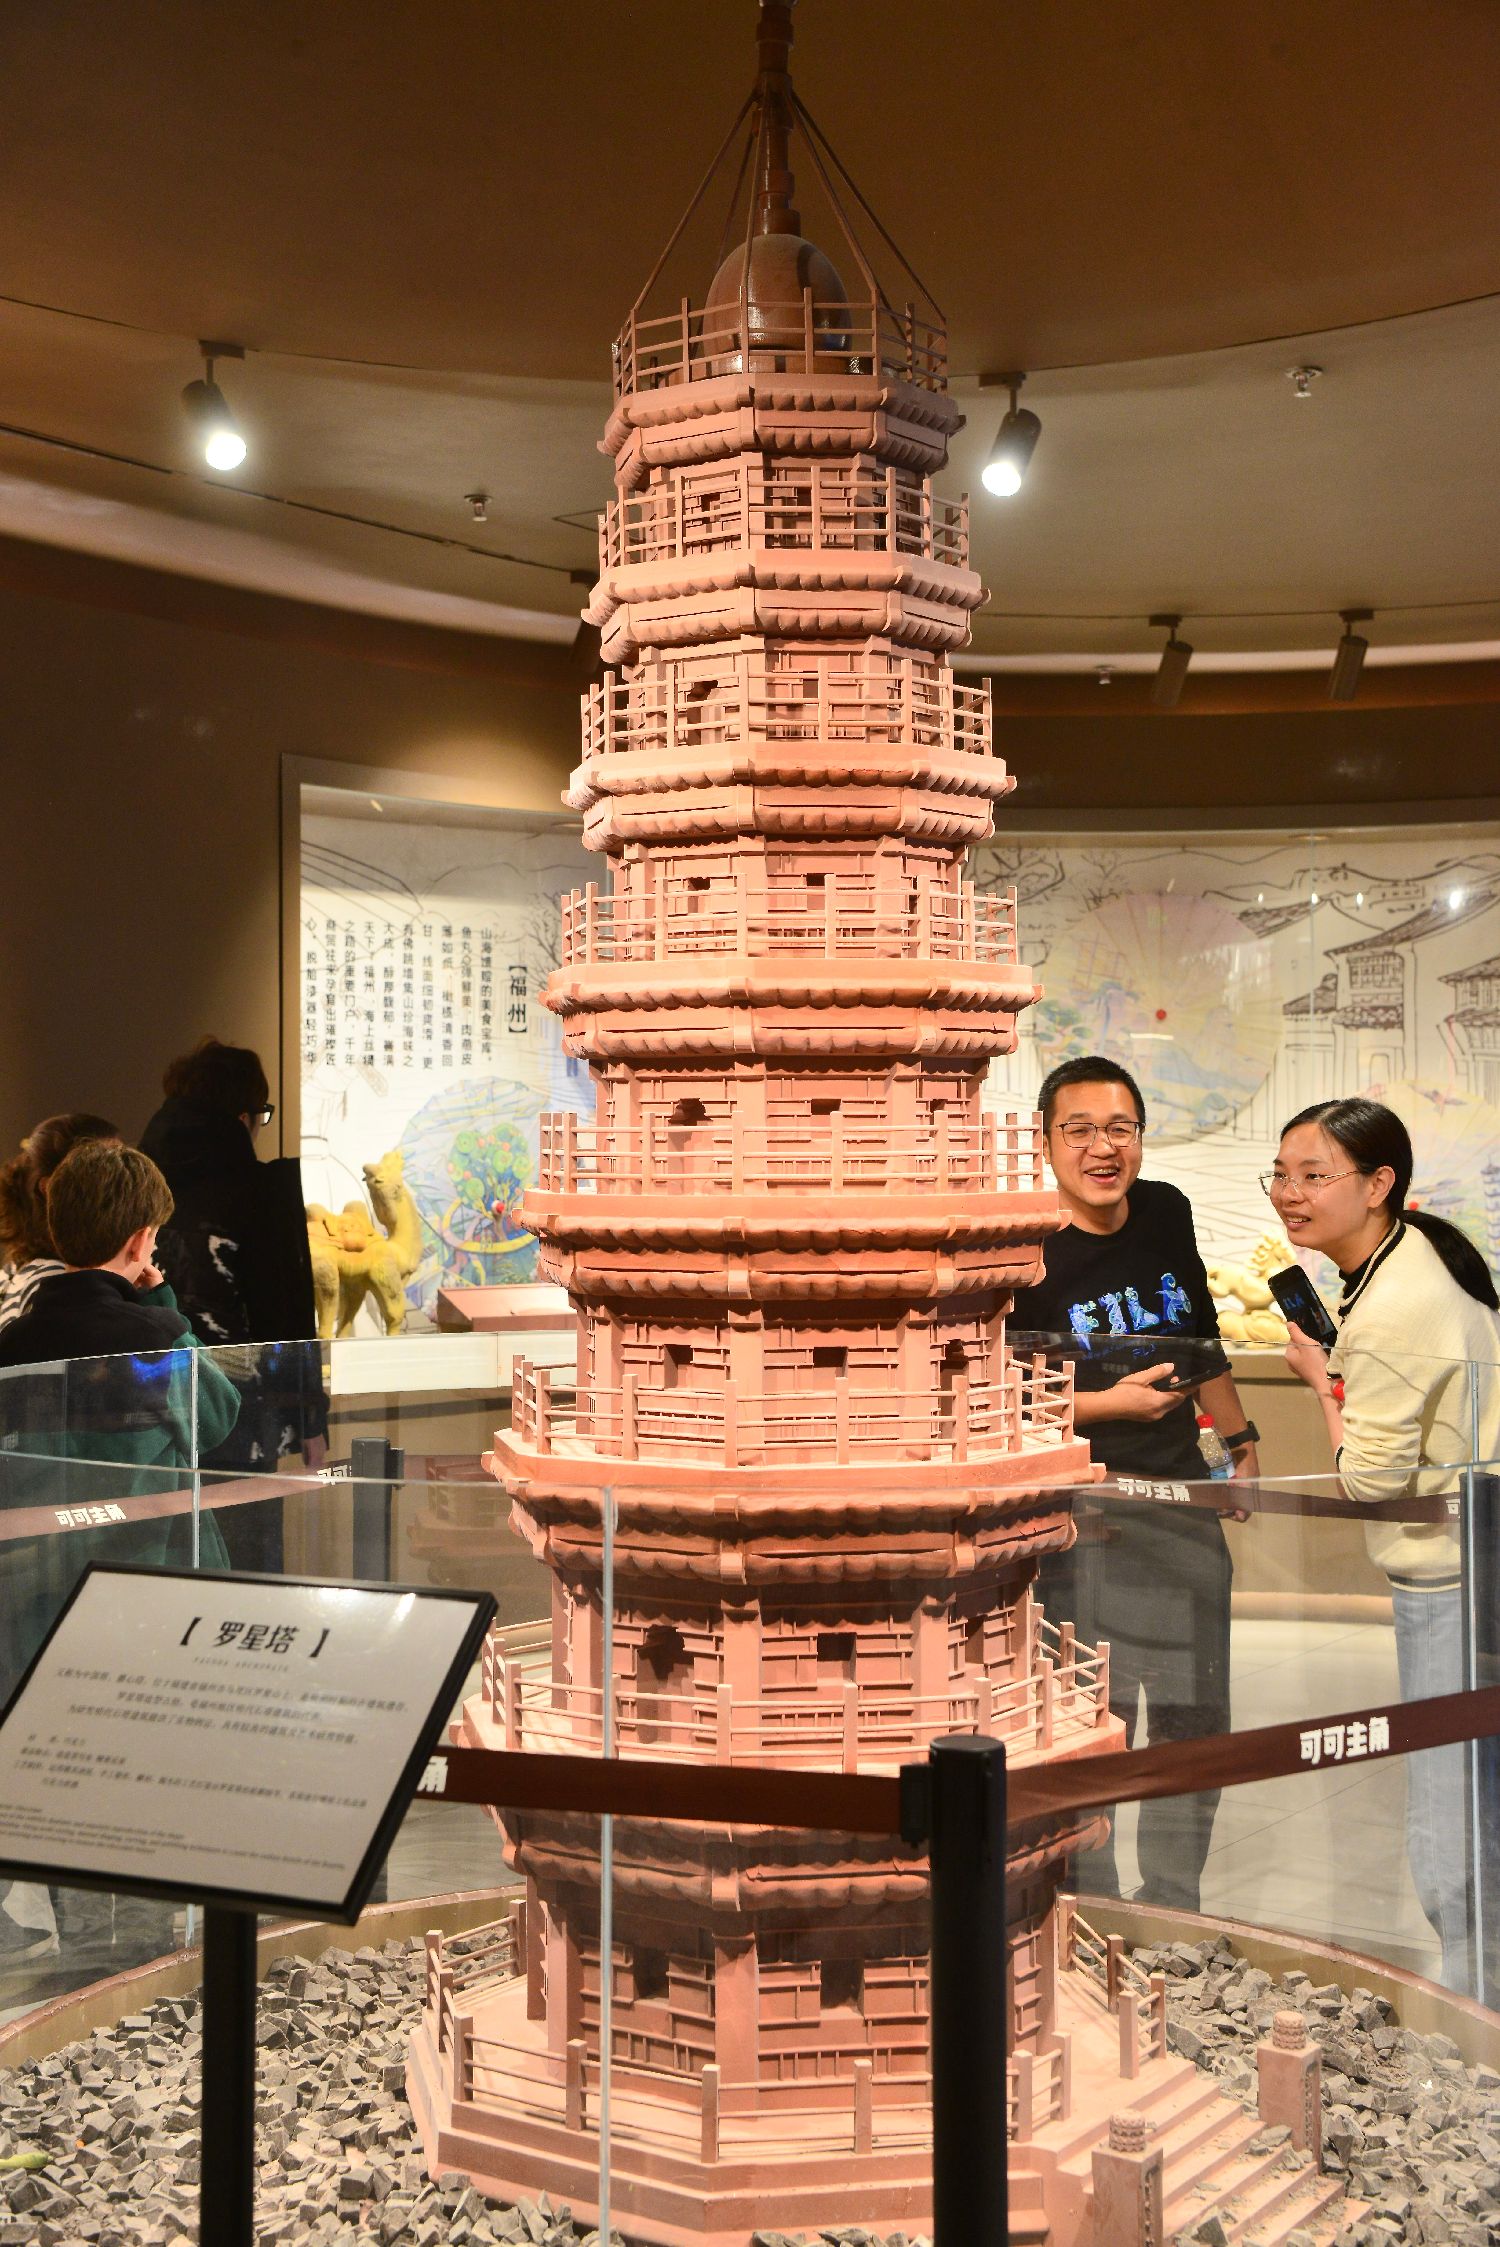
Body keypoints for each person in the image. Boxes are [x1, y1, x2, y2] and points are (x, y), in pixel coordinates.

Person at [1010, 1055, 1261, 1911]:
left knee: (1195, 1714)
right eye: (1079, 1130)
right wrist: (1103, 1404)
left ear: (1142, 1138)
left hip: (1183, 1503)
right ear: (1045, 1141)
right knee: (1093, 1714)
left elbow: (1200, 1336)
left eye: (1120, 1128)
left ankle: (1172, 1902)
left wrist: (1238, 1440)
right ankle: (1093, 1905)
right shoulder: (1023, 1245)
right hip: (1084, 1516)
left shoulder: (1165, 1210)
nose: (1102, 1147)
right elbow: (993, 1393)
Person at [1276, 1096, 1500, 1994]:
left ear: (1378, 1185)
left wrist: (1318, 1379)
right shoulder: (1415, 1255)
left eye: (1313, 1175)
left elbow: (1369, 1480)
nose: (1290, 1194)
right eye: (1280, 1175)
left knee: (1450, 1810)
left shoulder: (1393, 1306)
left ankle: (1474, 2006)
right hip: (1479, 1560)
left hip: (1451, 1580)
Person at [139, 1036, 324, 1561]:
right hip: (242, 1412)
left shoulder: (140, 1182)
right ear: (243, 1116)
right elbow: (283, 1312)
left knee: (167, 1561)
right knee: (247, 1563)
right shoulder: (258, 1191)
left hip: (150, 1409)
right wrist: (310, 1417)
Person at [0, 1111, 120, 1331]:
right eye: (104, 1173)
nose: (123, 1187)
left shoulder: (21, 1272)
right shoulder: (55, 1286)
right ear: (51, 1188)